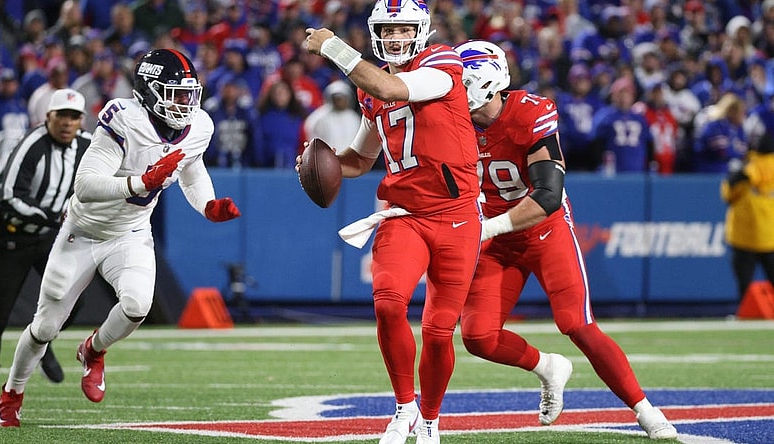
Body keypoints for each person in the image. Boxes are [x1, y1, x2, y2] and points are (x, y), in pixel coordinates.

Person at [0, 49, 241, 428]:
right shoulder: (125, 118)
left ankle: (93, 350)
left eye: (188, 94)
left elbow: (192, 169)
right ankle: (12, 392)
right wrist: (142, 181)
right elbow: (86, 185)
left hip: (130, 231)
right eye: (173, 93)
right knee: (44, 327)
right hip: (83, 231)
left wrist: (207, 205)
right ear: (148, 90)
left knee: (138, 305)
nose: (184, 103)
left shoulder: (200, 126)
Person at [453, 40, 678, 440]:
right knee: (477, 337)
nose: (452, 88)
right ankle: (549, 368)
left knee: (577, 323)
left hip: (544, 230)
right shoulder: (454, 121)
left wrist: (486, 228)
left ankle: (645, 410)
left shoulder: (529, 113)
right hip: (498, 241)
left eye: (460, 80)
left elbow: (546, 196)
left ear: (486, 81)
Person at [302, 1, 482, 442]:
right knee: (387, 303)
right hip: (407, 215)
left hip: (457, 217)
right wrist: (316, 163)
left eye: (404, 29)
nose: (396, 37)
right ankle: (404, 409)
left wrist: (333, 47)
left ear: (421, 31)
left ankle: (432, 421)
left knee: (439, 332)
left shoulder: (443, 63)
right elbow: (361, 160)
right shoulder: (370, 88)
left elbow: (391, 88)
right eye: (388, 29)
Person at [0, 89, 89, 384]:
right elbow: (8, 196)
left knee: (73, 302)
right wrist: (53, 215)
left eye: (74, 117)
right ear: (48, 117)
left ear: (81, 120)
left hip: (49, 239)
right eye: (62, 116)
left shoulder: (87, 145)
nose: (68, 123)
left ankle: (41, 341)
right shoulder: (32, 144)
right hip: (12, 237)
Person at [721, 97, 774, 301]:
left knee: (744, 285)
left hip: (746, 235)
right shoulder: (750, 165)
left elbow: (728, 192)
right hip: (767, 236)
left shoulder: (750, 167)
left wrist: (742, 175)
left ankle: (744, 313)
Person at [303, 80, 361, 153]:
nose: (339, 101)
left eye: (342, 98)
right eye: (337, 98)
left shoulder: (354, 118)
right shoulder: (319, 117)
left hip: (349, 159)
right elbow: (310, 138)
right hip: (325, 159)